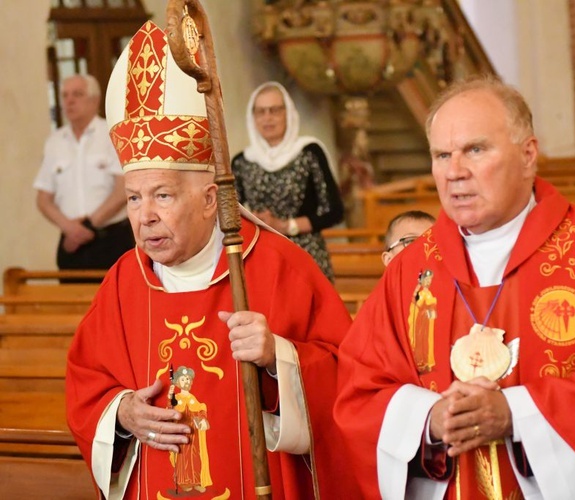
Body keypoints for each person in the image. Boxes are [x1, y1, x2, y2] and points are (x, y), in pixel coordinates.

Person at [334, 75, 575, 499]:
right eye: (441, 154)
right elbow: (360, 391)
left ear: (529, 155)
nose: (455, 172)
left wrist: (516, 414)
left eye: (476, 149)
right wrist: (430, 419)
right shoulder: (411, 271)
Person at [65, 21, 356, 499]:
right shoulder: (124, 281)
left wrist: (278, 357)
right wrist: (121, 412)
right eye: (134, 200)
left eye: (162, 195)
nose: (146, 217)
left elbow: (348, 379)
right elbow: (86, 382)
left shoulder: (277, 267)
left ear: (207, 199)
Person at [231, 81, 344, 282]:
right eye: (261, 112)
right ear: (253, 117)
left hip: (306, 253)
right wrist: (253, 219)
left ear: (288, 113)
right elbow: (231, 212)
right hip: (260, 254)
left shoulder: (309, 152)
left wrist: (285, 226)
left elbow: (334, 211)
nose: (268, 118)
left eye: (275, 110)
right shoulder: (242, 161)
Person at [34, 74, 133, 273]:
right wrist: (70, 228)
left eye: (77, 94)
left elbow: (123, 189)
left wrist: (88, 225)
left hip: (110, 239)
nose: (69, 101)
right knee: (70, 302)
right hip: (71, 243)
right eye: (65, 95)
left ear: (95, 100)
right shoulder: (54, 142)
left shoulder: (113, 134)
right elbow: (43, 199)